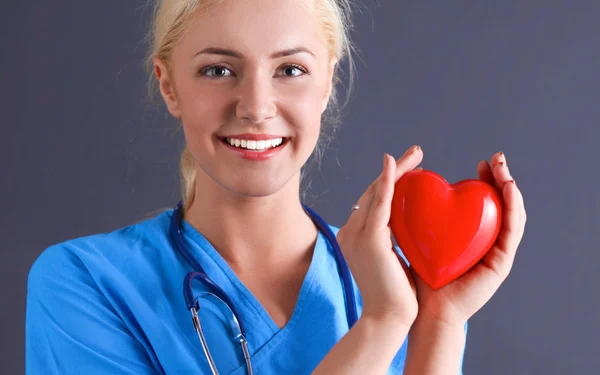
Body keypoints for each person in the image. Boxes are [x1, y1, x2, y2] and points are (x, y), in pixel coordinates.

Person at [25, 0, 527, 374]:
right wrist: (382, 324)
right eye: (218, 70)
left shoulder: (405, 289)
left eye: (290, 69)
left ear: (327, 82)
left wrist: (439, 320)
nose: (256, 106)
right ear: (168, 84)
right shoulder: (85, 284)